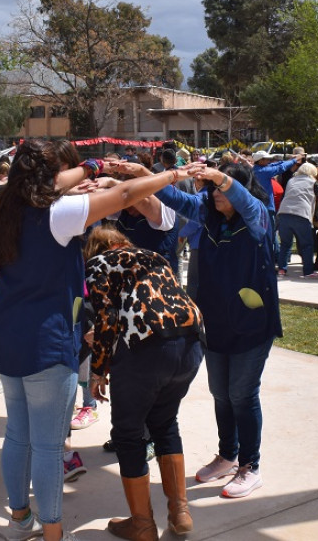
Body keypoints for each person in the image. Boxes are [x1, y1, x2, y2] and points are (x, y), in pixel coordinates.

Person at [0, 140, 198, 541]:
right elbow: (127, 193)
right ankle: (54, 533)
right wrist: (174, 175)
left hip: (8, 335)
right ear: (48, 180)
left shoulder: (4, 208)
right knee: (48, 446)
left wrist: (91, 167)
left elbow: (50, 183)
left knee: (18, 434)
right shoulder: (58, 214)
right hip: (46, 341)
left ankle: (19, 519)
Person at [154, 159, 280, 500]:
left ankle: (250, 467)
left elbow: (245, 201)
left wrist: (222, 178)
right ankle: (228, 455)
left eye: (221, 189)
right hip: (217, 321)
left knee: (242, 394)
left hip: (252, 323)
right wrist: (142, 175)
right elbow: (175, 199)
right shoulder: (208, 214)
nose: (215, 194)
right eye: (211, 189)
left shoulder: (258, 217)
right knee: (221, 394)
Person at [83, 225, 205, 539]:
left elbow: (106, 319)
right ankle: (180, 512)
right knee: (165, 423)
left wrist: (98, 371)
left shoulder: (99, 264)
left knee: (127, 434)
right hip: (190, 344)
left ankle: (143, 524)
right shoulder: (155, 257)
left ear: (98, 248)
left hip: (147, 352)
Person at [276, 162, 318, 278]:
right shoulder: (313, 182)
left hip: (284, 213)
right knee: (306, 245)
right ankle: (308, 271)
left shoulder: (291, 180)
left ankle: (282, 269)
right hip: (301, 214)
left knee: (285, 244)